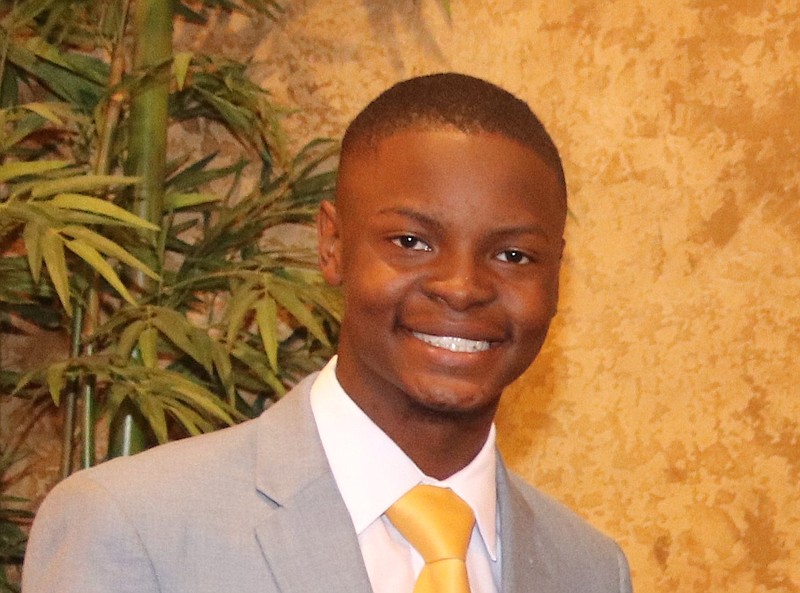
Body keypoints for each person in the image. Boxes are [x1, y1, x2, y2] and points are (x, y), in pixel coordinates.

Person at [22, 73, 632, 593]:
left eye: (515, 256)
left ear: (557, 273)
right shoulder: (132, 528)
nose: (462, 287)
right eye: (411, 242)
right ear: (332, 245)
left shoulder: (591, 569)